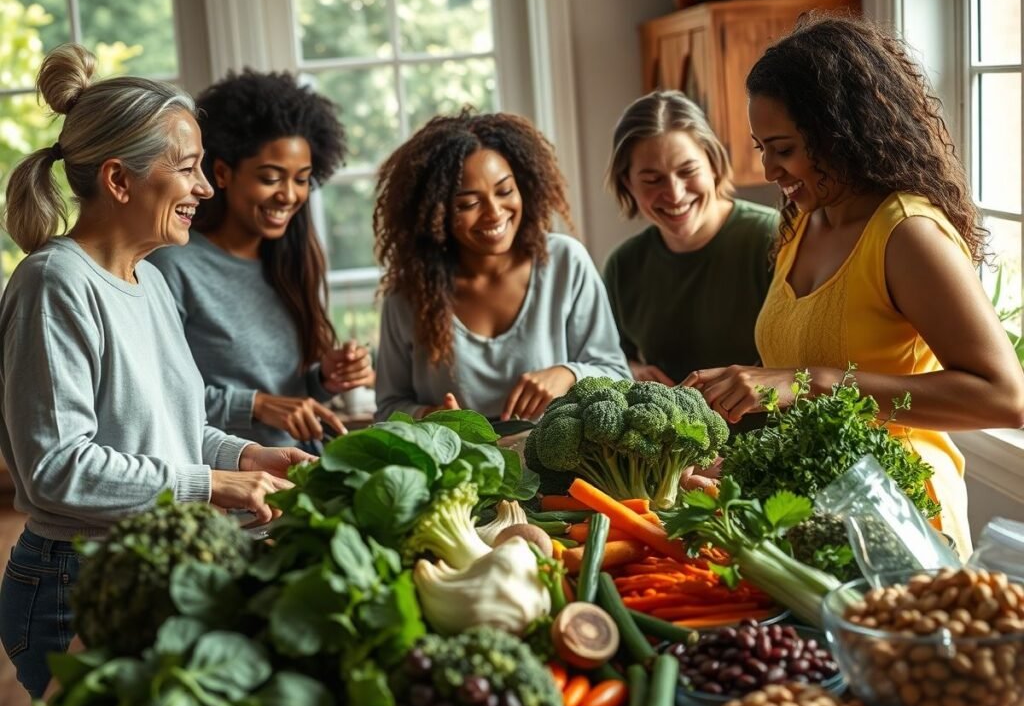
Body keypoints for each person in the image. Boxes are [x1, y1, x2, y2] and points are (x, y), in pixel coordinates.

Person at [0, 45, 311, 697]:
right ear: (120, 181)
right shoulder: (55, 283)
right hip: (75, 583)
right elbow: (56, 469)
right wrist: (211, 486)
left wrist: (251, 457)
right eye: (190, 169)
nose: (204, 187)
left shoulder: (150, 283)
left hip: (146, 562)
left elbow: (180, 430)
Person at [685, 14, 1024, 556]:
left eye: (784, 148)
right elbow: (795, 380)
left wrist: (814, 381)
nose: (771, 169)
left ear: (840, 133)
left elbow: (1005, 398)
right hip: (813, 514)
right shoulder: (803, 218)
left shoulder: (908, 235)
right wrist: (746, 460)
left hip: (905, 522)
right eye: (761, 148)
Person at [151, 69, 373, 451]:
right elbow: (159, 396)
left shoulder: (288, 260)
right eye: (271, 178)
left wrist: (325, 379)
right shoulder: (173, 267)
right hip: (232, 484)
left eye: (301, 179)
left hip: (302, 473)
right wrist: (256, 405)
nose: (289, 195)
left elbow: (289, 397)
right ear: (222, 173)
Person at [373, 108, 631, 421]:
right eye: (468, 203)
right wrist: (431, 415)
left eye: (505, 191)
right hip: (458, 469)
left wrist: (568, 374)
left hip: (563, 471)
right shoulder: (408, 295)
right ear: (435, 212)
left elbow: (618, 375)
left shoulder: (565, 263)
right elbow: (388, 408)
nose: (494, 213)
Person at [603, 90, 777, 386]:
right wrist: (632, 370)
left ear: (713, 164)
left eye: (688, 171)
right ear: (627, 184)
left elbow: (808, 362)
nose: (675, 193)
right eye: (652, 180)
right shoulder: (624, 265)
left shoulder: (772, 237)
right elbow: (609, 357)